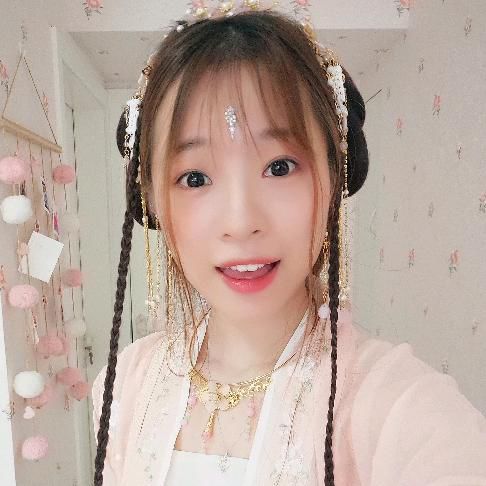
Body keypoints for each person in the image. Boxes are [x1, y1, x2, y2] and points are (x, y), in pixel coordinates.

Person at [91, 3, 486, 486]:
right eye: (195, 177)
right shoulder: (123, 386)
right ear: (150, 199)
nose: (241, 223)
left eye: (280, 167)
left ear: (335, 175)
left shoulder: (400, 409)